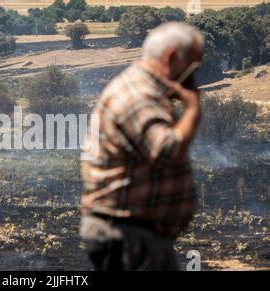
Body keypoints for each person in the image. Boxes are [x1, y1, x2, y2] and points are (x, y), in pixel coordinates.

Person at [79, 22, 204, 271]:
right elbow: (167, 150)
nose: (192, 77)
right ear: (170, 57)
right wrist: (193, 108)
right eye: (192, 67)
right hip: (128, 234)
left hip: (137, 234)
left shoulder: (145, 92)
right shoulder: (138, 95)